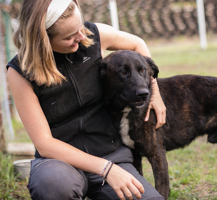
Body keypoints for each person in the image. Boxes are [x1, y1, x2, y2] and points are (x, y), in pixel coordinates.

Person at [6, 0, 166, 199]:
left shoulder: (93, 35)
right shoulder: (19, 73)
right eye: (70, 36)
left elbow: (137, 43)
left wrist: (155, 93)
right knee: (53, 186)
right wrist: (106, 169)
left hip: (111, 154)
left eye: (79, 27)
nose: (81, 37)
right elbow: (44, 144)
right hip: (60, 165)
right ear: (43, 39)